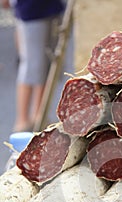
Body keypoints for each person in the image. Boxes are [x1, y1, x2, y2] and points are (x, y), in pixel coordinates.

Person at [2, 0, 65, 132]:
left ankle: (38, 115)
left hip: (49, 7)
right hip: (30, 10)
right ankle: (22, 120)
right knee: (32, 64)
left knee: (46, 64)